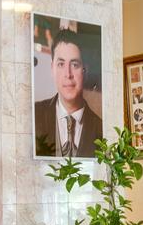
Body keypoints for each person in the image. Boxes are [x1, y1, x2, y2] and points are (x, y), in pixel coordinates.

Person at [34, 29, 103, 157]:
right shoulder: (34, 115)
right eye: (61, 64)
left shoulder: (100, 127)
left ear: (84, 70)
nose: (68, 74)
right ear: (52, 68)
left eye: (75, 64)